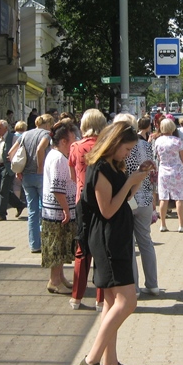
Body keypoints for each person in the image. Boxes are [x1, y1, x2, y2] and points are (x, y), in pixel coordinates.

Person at [76, 121, 153, 365]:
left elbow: (123, 199)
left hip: (117, 239)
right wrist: (130, 182)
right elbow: (107, 210)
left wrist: (136, 179)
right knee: (128, 301)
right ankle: (91, 361)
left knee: (111, 302)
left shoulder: (112, 166)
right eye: (127, 148)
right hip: (108, 242)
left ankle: (110, 364)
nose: (128, 154)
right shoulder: (99, 169)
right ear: (113, 143)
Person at [114, 113, 159, 297]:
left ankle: (134, 288)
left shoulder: (121, 148)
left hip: (127, 199)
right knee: (146, 241)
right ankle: (153, 284)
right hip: (146, 199)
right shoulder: (146, 145)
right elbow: (153, 172)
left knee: (129, 245)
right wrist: (154, 196)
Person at [68, 109, 107, 310]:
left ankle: (77, 297)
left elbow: (73, 177)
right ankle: (101, 300)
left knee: (82, 249)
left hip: (82, 201)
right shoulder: (108, 147)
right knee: (101, 249)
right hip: (104, 201)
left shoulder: (76, 147)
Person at [41, 120, 77, 294]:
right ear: (63, 141)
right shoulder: (58, 159)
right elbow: (57, 188)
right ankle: (55, 280)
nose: (75, 142)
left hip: (56, 210)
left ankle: (59, 277)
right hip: (57, 211)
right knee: (57, 246)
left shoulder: (56, 156)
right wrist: (66, 210)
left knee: (61, 246)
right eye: (72, 139)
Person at [14, 113, 54, 252]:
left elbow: (12, 152)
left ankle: (34, 244)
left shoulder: (25, 134)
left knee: (32, 211)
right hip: (41, 176)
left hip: (26, 176)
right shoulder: (47, 134)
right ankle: (45, 241)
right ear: (48, 124)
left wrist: (18, 169)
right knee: (45, 209)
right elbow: (40, 149)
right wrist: (40, 167)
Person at [153, 118, 183, 232]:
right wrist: (181, 168)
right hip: (177, 171)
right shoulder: (177, 141)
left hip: (163, 171)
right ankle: (181, 225)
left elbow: (158, 157)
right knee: (179, 199)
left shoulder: (158, 141)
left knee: (163, 198)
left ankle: (163, 225)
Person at [0, 120, 26, 221]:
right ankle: (19, 204)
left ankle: (2, 214)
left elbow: (19, 151)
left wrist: (17, 165)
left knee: (3, 190)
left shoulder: (12, 137)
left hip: (8, 167)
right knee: (1, 190)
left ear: (6, 128)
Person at [7, 120, 28, 213]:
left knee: (16, 184)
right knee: (26, 184)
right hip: (25, 162)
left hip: (15, 162)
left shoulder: (12, 136)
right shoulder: (26, 136)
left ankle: (17, 203)